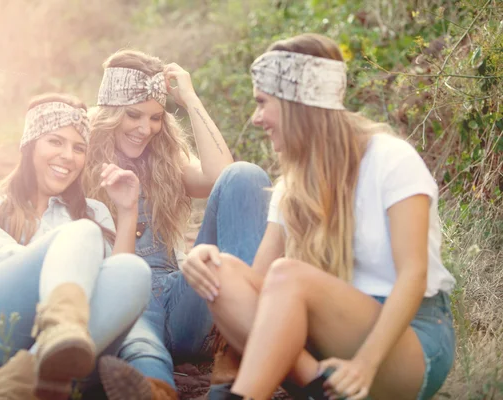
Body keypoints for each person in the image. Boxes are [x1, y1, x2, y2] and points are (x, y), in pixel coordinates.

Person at [182, 33, 456, 400]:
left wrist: (365, 364)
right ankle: (321, 387)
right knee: (222, 271)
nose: (256, 118)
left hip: (407, 339)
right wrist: (203, 259)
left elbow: (413, 274)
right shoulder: (293, 185)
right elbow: (257, 285)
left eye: (263, 103)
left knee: (289, 275)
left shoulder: (392, 159)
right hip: (325, 343)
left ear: (298, 104)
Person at [83, 50, 272, 399]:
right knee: (142, 344)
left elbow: (220, 176)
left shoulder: (165, 159)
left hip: (181, 299)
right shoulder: (80, 158)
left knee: (245, 175)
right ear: (109, 112)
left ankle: (241, 345)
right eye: (133, 115)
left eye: (156, 118)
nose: (145, 129)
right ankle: (156, 389)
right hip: (122, 302)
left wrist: (190, 99)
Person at [0, 93, 151, 400]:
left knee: (136, 271)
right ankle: (59, 328)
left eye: (79, 148)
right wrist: (68, 258)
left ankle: (24, 379)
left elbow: (115, 287)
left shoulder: (94, 213)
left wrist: (128, 211)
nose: (69, 156)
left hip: (62, 367)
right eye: (56, 141)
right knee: (81, 234)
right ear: (30, 145)